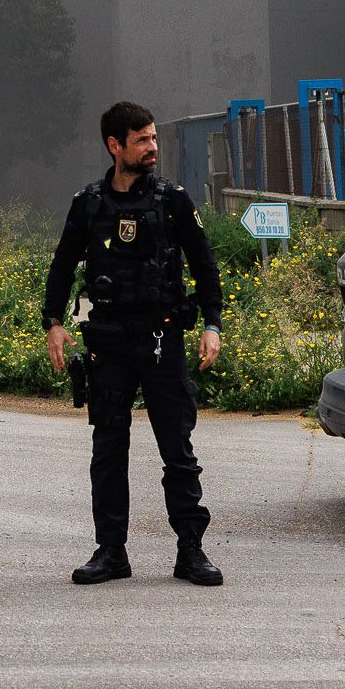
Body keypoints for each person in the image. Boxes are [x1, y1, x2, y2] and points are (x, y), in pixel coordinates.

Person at [43, 101, 225, 588]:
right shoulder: (88, 204)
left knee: (177, 450)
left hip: (162, 338)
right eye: (142, 139)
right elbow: (62, 266)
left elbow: (205, 266)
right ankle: (111, 551)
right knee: (107, 449)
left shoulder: (173, 201)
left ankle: (191, 550)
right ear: (115, 145)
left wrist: (212, 324)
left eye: (154, 138)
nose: (152, 147)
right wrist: (53, 322)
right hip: (108, 343)